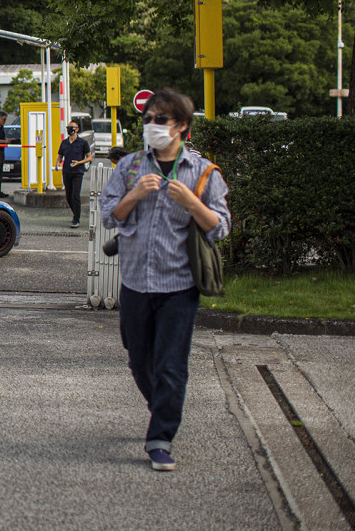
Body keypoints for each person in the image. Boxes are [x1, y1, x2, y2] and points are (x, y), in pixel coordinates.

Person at [99, 89, 230, 472]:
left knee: (171, 365)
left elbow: (221, 228)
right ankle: (160, 405)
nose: (152, 126)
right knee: (140, 360)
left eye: (161, 119)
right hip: (136, 283)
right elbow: (108, 215)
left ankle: (160, 437)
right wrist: (135, 195)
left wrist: (192, 203)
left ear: (182, 126)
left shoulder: (202, 172)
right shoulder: (130, 167)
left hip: (179, 286)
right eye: (148, 119)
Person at [56, 119, 93, 227]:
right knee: (68, 196)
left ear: (77, 129)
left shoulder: (83, 143)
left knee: (75, 196)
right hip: (66, 172)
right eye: (68, 127)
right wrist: (58, 163)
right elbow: (60, 156)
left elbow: (89, 157)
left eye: (71, 127)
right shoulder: (64, 143)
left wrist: (79, 162)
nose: (69, 129)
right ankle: (75, 213)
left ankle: (76, 219)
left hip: (78, 172)